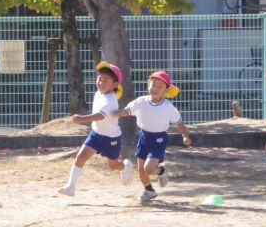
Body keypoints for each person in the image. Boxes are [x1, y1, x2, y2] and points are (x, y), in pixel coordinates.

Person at [57, 61, 135, 196]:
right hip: (96, 134)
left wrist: (82, 118)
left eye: (106, 80)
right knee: (80, 157)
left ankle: (125, 166)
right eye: (99, 79)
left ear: (115, 84)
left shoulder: (110, 99)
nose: (101, 83)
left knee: (113, 166)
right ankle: (71, 186)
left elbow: (100, 116)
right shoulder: (98, 94)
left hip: (111, 138)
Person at [114, 70, 192, 203]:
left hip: (159, 139)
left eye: (160, 86)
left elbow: (178, 121)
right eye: (153, 84)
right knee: (141, 169)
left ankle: (161, 171)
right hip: (143, 137)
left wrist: (185, 136)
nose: (155, 88)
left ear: (166, 90)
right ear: (148, 85)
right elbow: (128, 110)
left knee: (149, 169)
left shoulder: (168, 106)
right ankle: (149, 190)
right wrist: (117, 113)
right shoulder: (141, 101)